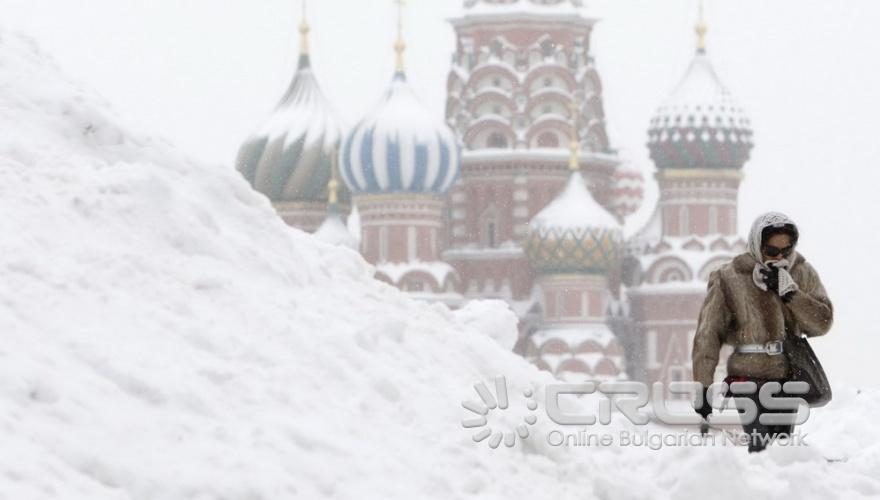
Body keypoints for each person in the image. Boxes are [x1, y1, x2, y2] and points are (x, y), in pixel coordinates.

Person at [691, 212, 834, 453]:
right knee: (760, 445)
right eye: (771, 250)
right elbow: (708, 334)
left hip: (787, 372)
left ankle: (777, 488)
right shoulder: (729, 276)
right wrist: (703, 388)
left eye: (786, 251)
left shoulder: (801, 272)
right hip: (747, 375)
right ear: (757, 244)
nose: (778, 258)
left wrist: (791, 294)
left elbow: (822, 324)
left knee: (781, 447)